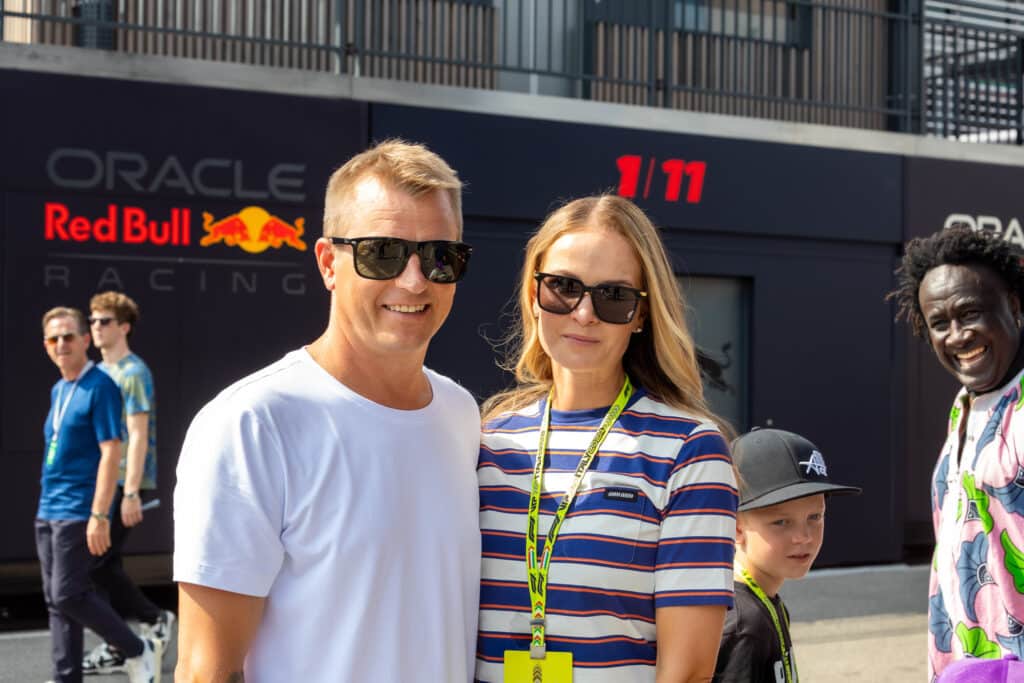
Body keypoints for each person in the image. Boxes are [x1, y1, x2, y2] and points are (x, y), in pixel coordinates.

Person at [172, 139, 481, 682]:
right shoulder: (253, 424)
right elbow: (205, 671)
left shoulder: (460, 414)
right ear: (327, 263)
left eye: (439, 256)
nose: (414, 280)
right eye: (381, 252)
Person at [476, 194, 738, 682]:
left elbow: (687, 672)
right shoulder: (485, 443)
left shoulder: (689, 452)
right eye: (563, 287)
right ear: (534, 296)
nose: (583, 313)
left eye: (613, 296)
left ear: (641, 315)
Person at [890, 225, 1024, 678]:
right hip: (968, 662)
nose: (957, 336)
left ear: (1014, 305)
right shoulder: (967, 404)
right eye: (939, 324)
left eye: (970, 313)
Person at [37, 307, 162, 683]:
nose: (61, 344)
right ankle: (66, 677)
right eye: (53, 339)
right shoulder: (59, 389)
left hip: (79, 507)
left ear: (84, 341)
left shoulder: (101, 386)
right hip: (48, 506)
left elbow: (112, 451)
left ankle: (138, 649)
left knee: (68, 593)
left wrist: (99, 514)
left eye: (69, 336)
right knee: (56, 602)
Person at [714, 428, 860, 683]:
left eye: (815, 517)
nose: (803, 536)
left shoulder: (764, 604)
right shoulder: (743, 625)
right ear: (736, 527)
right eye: (781, 522)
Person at [81, 291, 174, 676]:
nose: (96, 328)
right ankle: (119, 644)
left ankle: (153, 620)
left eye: (104, 321)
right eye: (93, 321)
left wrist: (132, 491)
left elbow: (137, 435)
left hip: (124, 482)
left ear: (124, 327)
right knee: (103, 563)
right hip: (101, 479)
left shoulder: (133, 373)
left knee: (97, 563)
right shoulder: (98, 374)